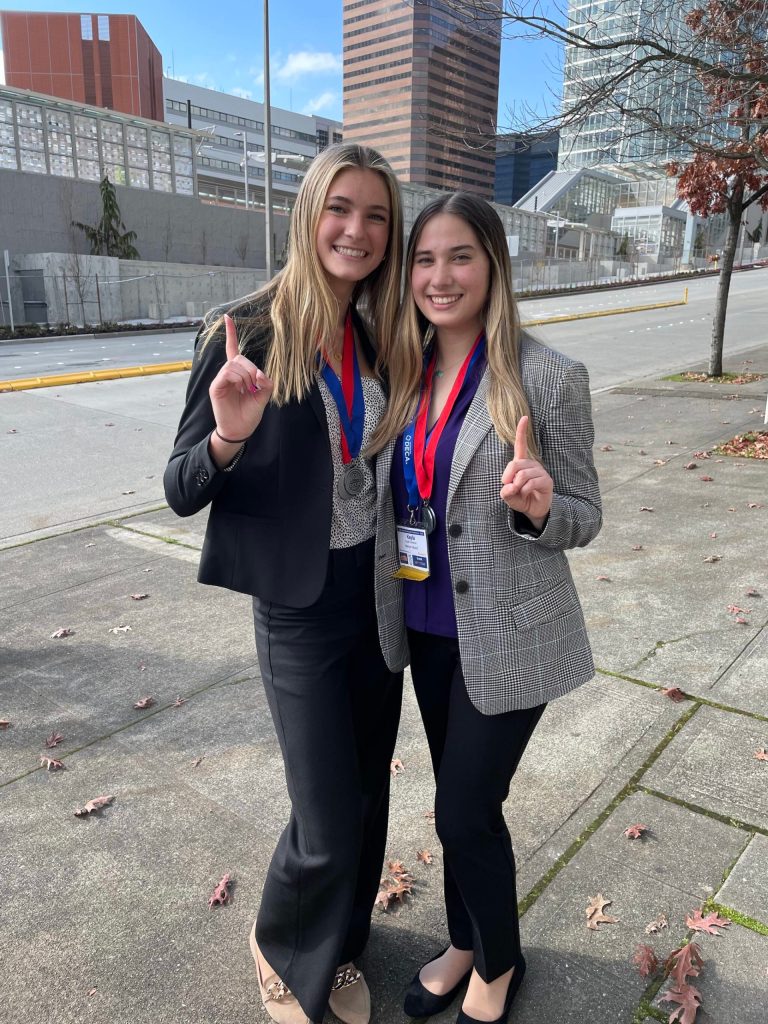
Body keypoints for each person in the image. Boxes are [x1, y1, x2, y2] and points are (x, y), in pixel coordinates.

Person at [164, 143, 405, 1024]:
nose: (358, 229)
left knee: (369, 788)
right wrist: (228, 434)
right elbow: (182, 486)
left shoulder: (382, 334)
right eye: (342, 207)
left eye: (377, 215)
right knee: (326, 810)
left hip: (378, 594)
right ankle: (280, 941)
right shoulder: (244, 330)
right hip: (299, 608)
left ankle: (340, 943)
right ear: (310, 214)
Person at [371, 193, 602, 1024]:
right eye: (425, 260)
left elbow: (585, 514)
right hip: (427, 628)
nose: (440, 276)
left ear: (494, 266)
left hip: (509, 631)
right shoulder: (404, 370)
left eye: (460, 256)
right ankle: (466, 940)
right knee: (464, 802)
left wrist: (541, 507)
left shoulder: (545, 376)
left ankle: (498, 964)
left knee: (463, 809)